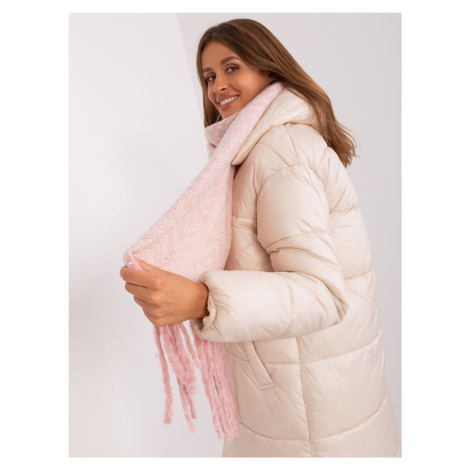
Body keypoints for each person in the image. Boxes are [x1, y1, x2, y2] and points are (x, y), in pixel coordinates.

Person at [120, 18, 401, 458]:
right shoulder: (255, 151)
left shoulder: (281, 152)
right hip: (300, 393)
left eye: (231, 68)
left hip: (310, 416)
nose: (217, 86)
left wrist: (204, 300)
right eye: (209, 76)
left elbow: (323, 294)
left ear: (268, 67)